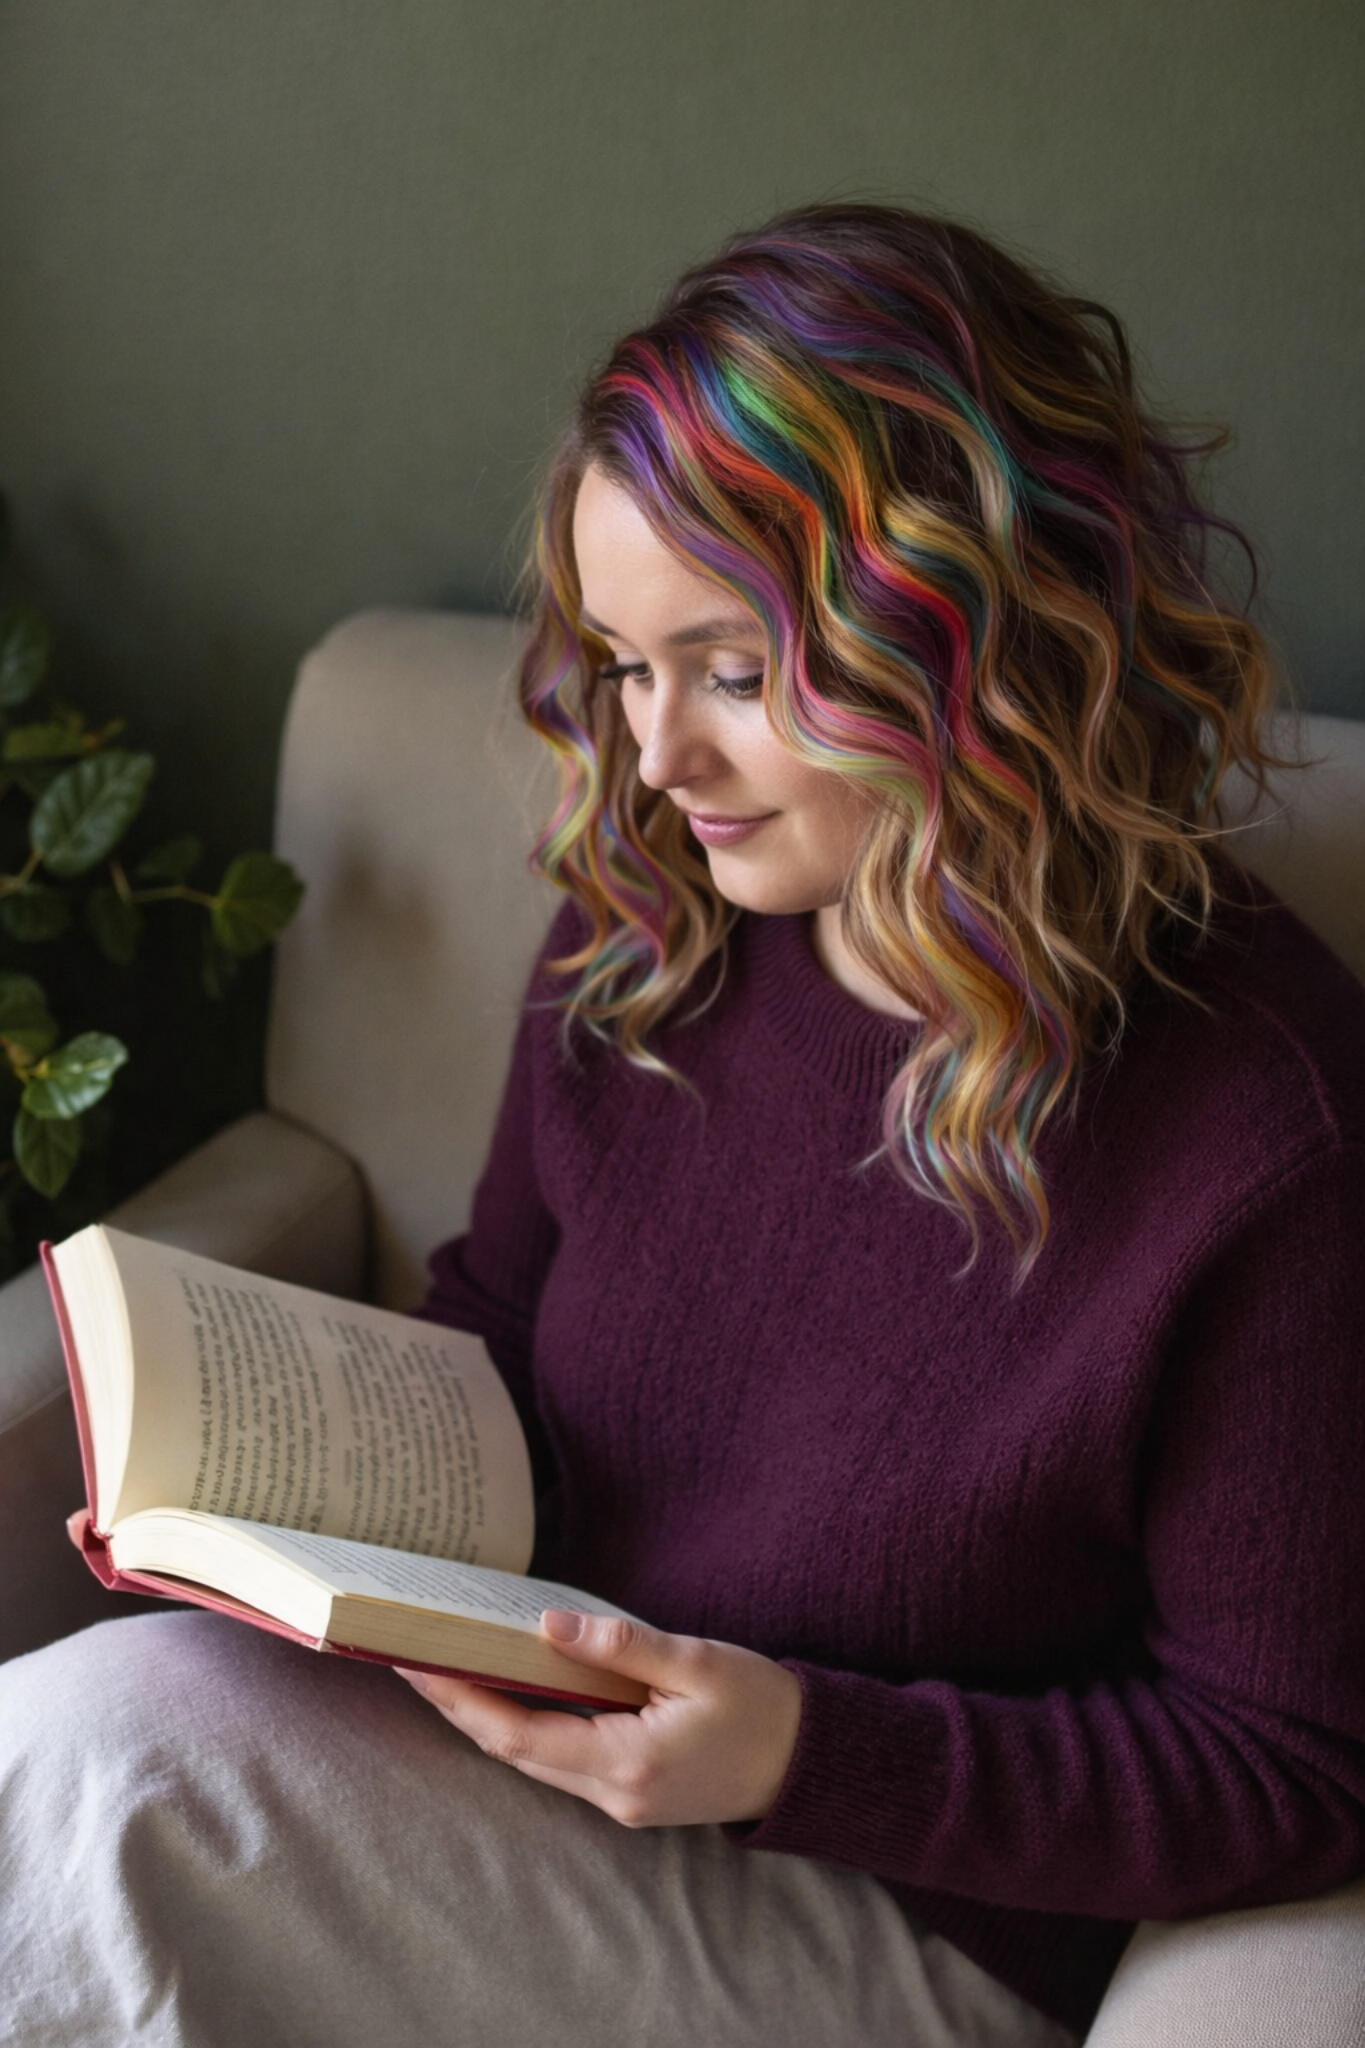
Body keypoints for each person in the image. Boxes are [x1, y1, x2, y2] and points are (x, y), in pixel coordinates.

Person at [3, 200, 1364, 2048]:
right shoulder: (651, 928)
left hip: (894, 1908)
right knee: (97, 1724)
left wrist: (802, 1752)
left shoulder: (1259, 1134)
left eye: (732, 672)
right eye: (626, 664)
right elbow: (497, 1321)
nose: (656, 758)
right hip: (535, 1758)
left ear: (984, 642)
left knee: (100, 1770)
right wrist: (293, 1508)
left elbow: (1284, 1763)